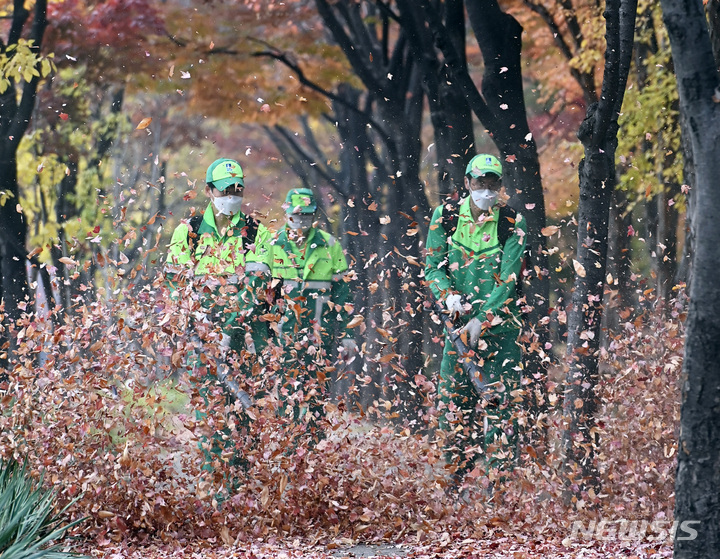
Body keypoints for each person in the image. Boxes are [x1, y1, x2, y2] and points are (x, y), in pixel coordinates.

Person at [165, 157, 275, 472]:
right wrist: (199, 319)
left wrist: (232, 323)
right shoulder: (190, 231)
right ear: (210, 190)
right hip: (203, 337)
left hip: (245, 336)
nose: (234, 194)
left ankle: (241, 486)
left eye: (239, 188)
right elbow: (176, 282)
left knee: (243, 409)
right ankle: (215, 489)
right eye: (227, 189)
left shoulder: (256, 233)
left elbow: (258, 283)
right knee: (210, 412)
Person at [424, 153, 527, 488]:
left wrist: (483, 319)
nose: (486, 190)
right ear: (467, 183)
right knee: (453, 408)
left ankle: (501, 493)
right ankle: (451, 490)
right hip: (457, 332)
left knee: (502, 408)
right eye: (480, 183)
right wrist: (447, 296)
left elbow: (510, 279)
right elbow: (432, 267)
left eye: (493, 183)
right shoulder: (446, 216)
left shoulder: (511, 221)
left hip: (502, 332)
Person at [270, 187, 357, 435]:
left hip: (321, 336)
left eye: (307, 215)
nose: (301, 221)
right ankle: (286, 454)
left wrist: (348, 335)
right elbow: (262, 296)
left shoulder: (330, 245)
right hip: (282, 338)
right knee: (286, 397)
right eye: (297, 215)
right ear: (286, 214)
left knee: (316, 398)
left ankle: (311, 455)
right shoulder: (272, 245)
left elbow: (344, 296)